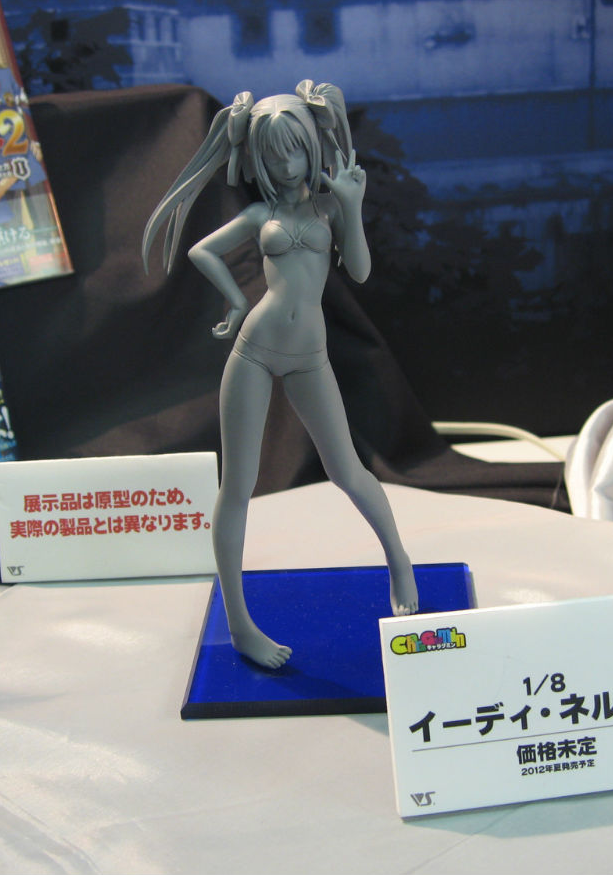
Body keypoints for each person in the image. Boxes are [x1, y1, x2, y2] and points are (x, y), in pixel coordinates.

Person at [143, 81, 418, 669]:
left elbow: (360, 271)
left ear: (312, 148)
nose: (285, 166)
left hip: (309, 356)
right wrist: (237, 301)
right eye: (272, 156)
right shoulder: (258, 214)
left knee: (348, 470)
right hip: (254, 349)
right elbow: (201, 251)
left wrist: (351, 205)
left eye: (294, 152)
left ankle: (399, 562)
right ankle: (240, 624)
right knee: (237, 487)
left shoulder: (328, 207)